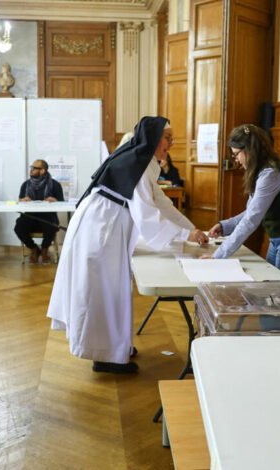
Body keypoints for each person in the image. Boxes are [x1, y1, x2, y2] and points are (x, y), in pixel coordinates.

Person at [47, 116, 209, 374]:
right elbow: (148, 215)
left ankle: (113, 348)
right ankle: (104, 355)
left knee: (110, 292)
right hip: (100, 232)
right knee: (102, 294)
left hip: (104, 228)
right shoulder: (138, 164)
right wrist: (185, 236)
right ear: (154, 138)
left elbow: (161, 203)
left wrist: (191, 230)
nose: (172, 142)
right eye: (167, 137)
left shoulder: (141, 161)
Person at [205, 124, 280, 280]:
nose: (236, 160)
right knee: (272, 291)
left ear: (249, 150)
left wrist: (218, 256)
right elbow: (252, 211)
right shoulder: (261, 171)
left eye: (236, 154)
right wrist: (226, 226)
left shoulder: (270, 174)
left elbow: (251, 219)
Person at [14, 159, 64, 264]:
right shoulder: (26, 184)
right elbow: (20, 201)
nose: (31, 170)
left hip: (48, 216)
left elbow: (62, 203)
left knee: (51, 225)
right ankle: (34, 249)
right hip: (30, 216)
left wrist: (55, 201)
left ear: (42, 170)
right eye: (31, 167)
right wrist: (22, 201)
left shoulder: (55, 185)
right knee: (18, 227)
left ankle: (45, 249)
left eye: (34, 168)